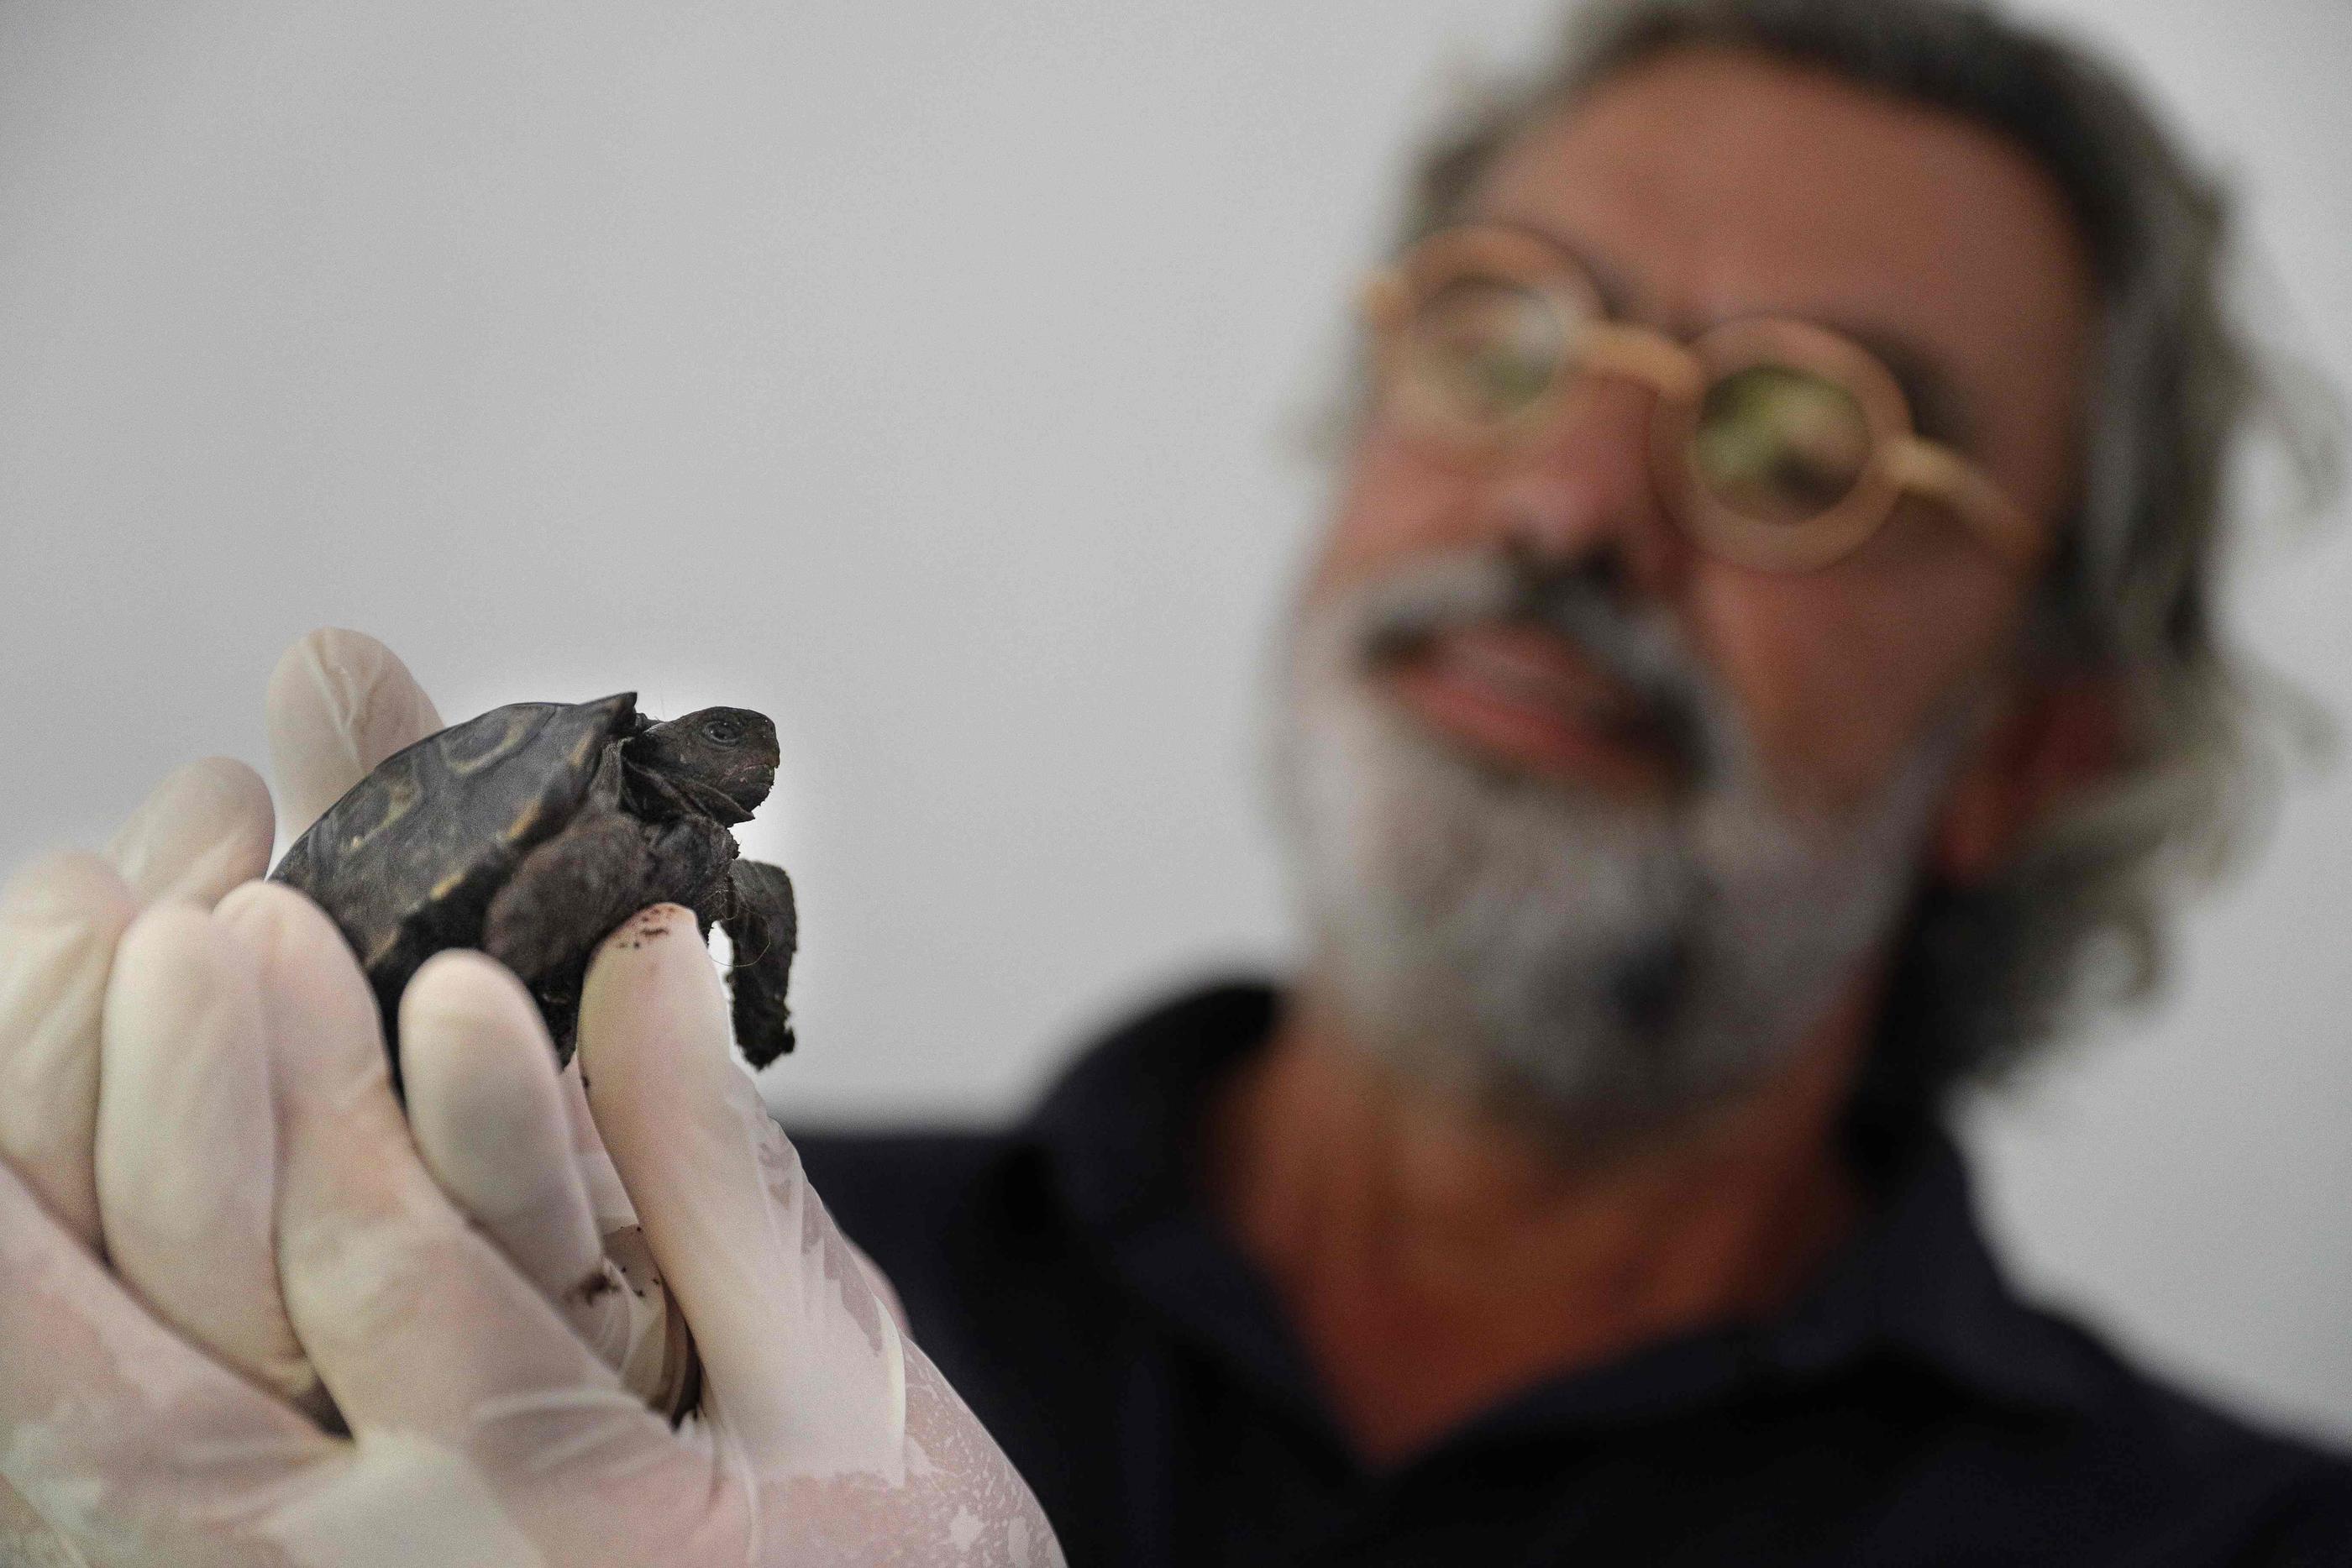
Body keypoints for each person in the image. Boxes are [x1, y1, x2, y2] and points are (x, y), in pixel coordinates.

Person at [0, 0, 2345, 1563]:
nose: (1572, 503)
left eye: (1805, 438)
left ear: (2045, 741)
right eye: (1506, 334)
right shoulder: (602, 1298)